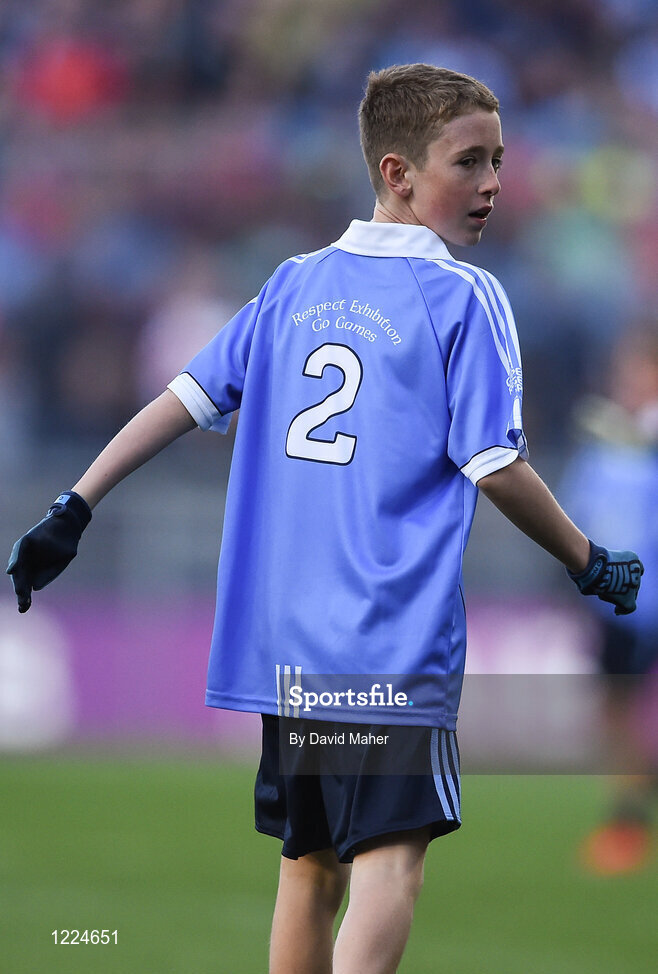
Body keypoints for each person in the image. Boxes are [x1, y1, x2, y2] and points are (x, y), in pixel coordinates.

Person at [7, 64, 643, 974]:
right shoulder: (464, 296)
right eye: (469, 162)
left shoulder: (294, 282)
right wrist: (587, 560)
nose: (494, 183)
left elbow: (183, 397)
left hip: (296, 648)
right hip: (387, 638)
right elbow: (496, 465)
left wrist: (77, 502)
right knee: (391, 868)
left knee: (308, 871)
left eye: (499, 160)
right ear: (397, 173)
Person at [561, 326, 657, 875]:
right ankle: (627, 822)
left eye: (640, 369)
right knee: (615, 716)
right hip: (615, 603)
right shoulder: (606, 443)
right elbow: (576, 511)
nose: (629, 381)